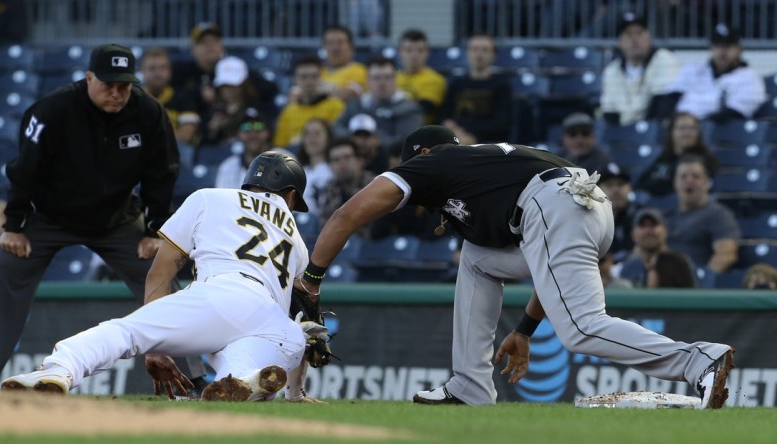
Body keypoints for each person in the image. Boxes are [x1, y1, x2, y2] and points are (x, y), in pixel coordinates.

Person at [296, 125, 734, 409]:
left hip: (556, 205)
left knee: (581, 328)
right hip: (581, 207)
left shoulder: (435, 162)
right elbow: (547, 262)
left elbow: (347, 215)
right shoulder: (486, 169)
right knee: (477, 260)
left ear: (424, 154)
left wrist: (312, 280)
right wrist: (524, 328)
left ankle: (699, 361)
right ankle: (470, 386)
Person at [0, 152, 316, 403]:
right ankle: (242, 379)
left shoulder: (209, 197)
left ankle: (58, 370)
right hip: (276, 327)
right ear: (290, 195)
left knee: (126, 332)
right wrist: (296, 393)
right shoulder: (299, 244)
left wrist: (156, 346)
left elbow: (161, 270)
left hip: (219, 295)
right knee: (254, 360)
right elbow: (300, 313)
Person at [0, 44, 181, 386]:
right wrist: (14, 225)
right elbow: (25, 170)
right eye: (108, 84)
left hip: (117, 219)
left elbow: (162, 173)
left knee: (161, 268)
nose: (116, 92)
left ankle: (195, 381)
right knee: (5, 267)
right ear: (89, 78)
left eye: (124, 85)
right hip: (48, 218)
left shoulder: (148, 111)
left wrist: (155, 231)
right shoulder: (52, 110)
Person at [662, 23, 766, 122]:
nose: (722, 51)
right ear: (711, 47)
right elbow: (672, 96)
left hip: (715, 133)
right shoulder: (693, 69)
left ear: (739, 49)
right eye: (717, 45)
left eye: (728, 45)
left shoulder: (750, 77)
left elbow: (735, 113)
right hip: (679, 128)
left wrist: (698, 125)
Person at [664, 154, 740, 274]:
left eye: (696, 176)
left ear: (707, 183)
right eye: (683, 177)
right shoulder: (666, 217)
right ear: (675, 183)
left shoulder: (718, 215)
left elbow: (726, 255)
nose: (689, 181)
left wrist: (701, 281)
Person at [600, 12, 680, 125]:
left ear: (649, 38)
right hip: (622, 133)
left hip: (654, 129)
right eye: (628, 34)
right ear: (620, 42)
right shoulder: (611, 70)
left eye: (639, 33)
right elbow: (609, 112)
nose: (635, 39)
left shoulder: (664, 58)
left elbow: (662, 105)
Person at [333, 56, 424, 152]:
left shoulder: (410, 109)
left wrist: (374, 141)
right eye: (376, 78)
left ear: (395, 79)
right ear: (367, 81)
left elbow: (407, 142)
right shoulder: (356, 104)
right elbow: (336, 128)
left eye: (387, 77)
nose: (382, 83)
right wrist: (353, 140)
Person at [441, 33, 512, 144]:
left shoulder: (502, 85)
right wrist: (450, 126)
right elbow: (444, 114)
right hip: (456, 136)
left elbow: (501, 123)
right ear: (467, 53)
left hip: (487, 141)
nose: (479, 55)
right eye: (474, 49)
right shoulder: (456, 84)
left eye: (484, 50)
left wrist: (467, 133)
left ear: (494, 55)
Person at [636, 112, 719, 197]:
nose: (687, 133)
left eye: (692, 128)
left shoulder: (705, 160)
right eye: (682, 128)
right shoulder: (664, 158)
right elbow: (641, 184)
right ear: (671, 132)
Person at [273, 55, 346, 148]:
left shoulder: (336, 106)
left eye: (314, 76)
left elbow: (337, 142)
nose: (309, 82)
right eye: (304, 77)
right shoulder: (288, 112)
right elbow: (281, 147)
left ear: (321, 77)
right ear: (295, 79)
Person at [204, 56, 278, 146]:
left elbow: (265, 135)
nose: (229, 90)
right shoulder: (214, 110)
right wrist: (212, 131)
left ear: (244, 85)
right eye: (225, 85)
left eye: (234, 85)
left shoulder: (257, 109)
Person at [139, 47, 201, 153]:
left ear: (170, 70)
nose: (157, 73)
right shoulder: (133, 99)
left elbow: (186, 134)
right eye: (152, 68)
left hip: (174, 152)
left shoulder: (184, 97)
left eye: (162, 68)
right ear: (142, 71)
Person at [170, 22, 226, 139]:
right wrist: (198, 92)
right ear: (193, 49)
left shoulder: (231, 69)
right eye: (204, 42)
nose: (210, 46)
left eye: (215, 41)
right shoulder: (179, 71)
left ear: (222, 46)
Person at [619, 208, 695, 288]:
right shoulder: (629, 267)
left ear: (665, 230)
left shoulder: (680, 263)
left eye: (653, 225)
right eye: (642, 226)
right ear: (633, 234)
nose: (648, 231)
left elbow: (692, 297)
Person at [318, 138, 376, 236]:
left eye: (347, 157)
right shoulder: (329, 189)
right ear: (330, 166)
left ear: (359, 160)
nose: (342, 163)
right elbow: (326, 229)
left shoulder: (374, 183)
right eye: (336, 160)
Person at [214, 108, 284, 189]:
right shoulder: (228, 166)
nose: (253, 134)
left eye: (259, 127)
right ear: (238, 134)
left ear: (268, 132)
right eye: (246, 128)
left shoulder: (285, 161)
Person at [396, 29, 447, 124]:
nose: (414, 55)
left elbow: (423, 107)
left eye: (420, 51)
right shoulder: (392, 78)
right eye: (408, 50)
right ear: (400, 52)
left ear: (427, 53)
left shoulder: (435, 80)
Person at [597, 163, 638, 262]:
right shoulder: (590, 217)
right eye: (609, 185)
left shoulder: (642, 215)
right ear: (598, 189)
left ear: (630, 187)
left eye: (620, 184)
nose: (616, 190)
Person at [294, 118, 335, 216]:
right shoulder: (297, 171)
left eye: (317, 133)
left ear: (328, 138)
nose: (311, 139)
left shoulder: (333, 170)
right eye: (307, 134)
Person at [320, 25, 367, 102]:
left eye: (340, 42)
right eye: (330, 43)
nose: (335, 48)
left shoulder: (362, 72)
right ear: (323, 47)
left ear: (351, 47)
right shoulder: (316, 71)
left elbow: (348, 94)